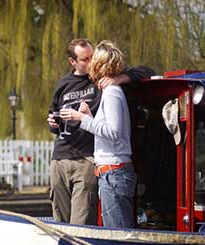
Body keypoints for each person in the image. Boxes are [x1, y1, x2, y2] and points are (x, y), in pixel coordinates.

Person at [47, 38, 155, 225]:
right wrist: (54, 124)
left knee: (88, 227)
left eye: (93, 58)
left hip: (92, 161)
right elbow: (54, 115)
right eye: (85, 59)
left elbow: (147, 72)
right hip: (63, 156)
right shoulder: (64, 83)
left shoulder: (107, 87)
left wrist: (117, 79)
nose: (90, 62)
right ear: (73, 62)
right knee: (60, 222)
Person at [63, 40, 137, 228]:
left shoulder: (111, 93)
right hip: (112, 173)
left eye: (93, 60)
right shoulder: (111, 91)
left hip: (113, 173)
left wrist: (82, 118)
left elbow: (114, 132)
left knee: (118, 234)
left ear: (101, 65)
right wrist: (89, 116)